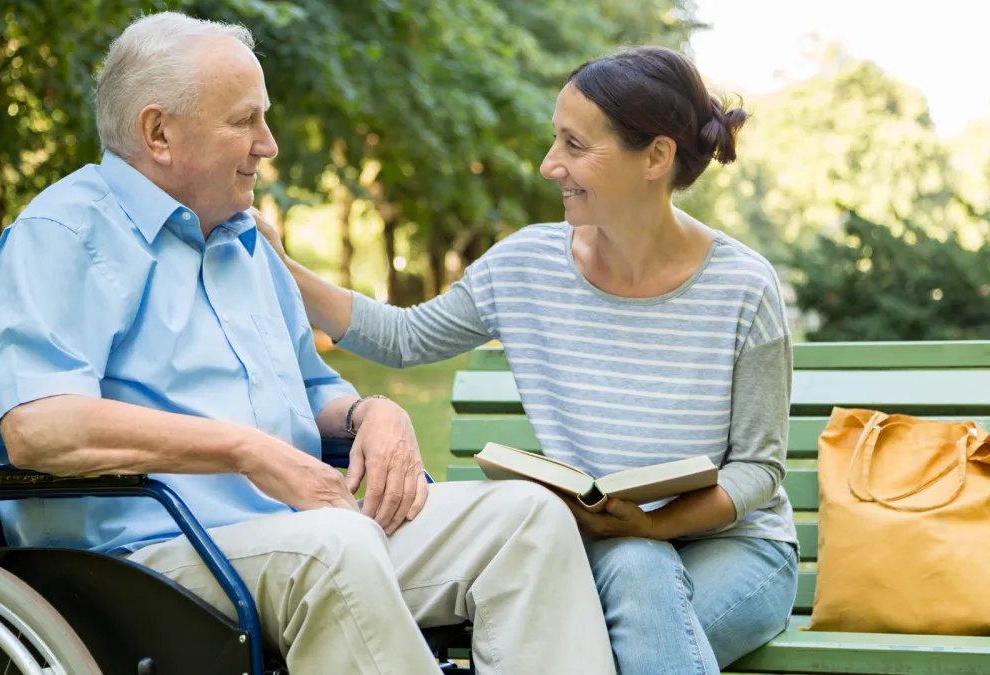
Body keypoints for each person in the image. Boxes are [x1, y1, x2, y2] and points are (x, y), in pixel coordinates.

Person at [0, 12, 615, 675]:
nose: (269, 143)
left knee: (526, 519)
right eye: (244, 120)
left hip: (301, 532)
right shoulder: (62, 234)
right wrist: (245, 450)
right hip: (142, 561)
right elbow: (37, 426)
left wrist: (373, 412)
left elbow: (312, 390)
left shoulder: (246, 241)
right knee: (334, 548)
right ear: (158, 132)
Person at [255, 45, 799, 674]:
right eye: (554, 140)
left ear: (656, 156)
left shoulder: (742, 285)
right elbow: (403, 339)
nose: (549, 166)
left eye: (574, 145)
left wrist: (654, 526)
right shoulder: (527, 266)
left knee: (615, 613)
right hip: (605, 551)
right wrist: (282, 267)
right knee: (633, 568)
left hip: (734, 552)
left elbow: (758, 468)